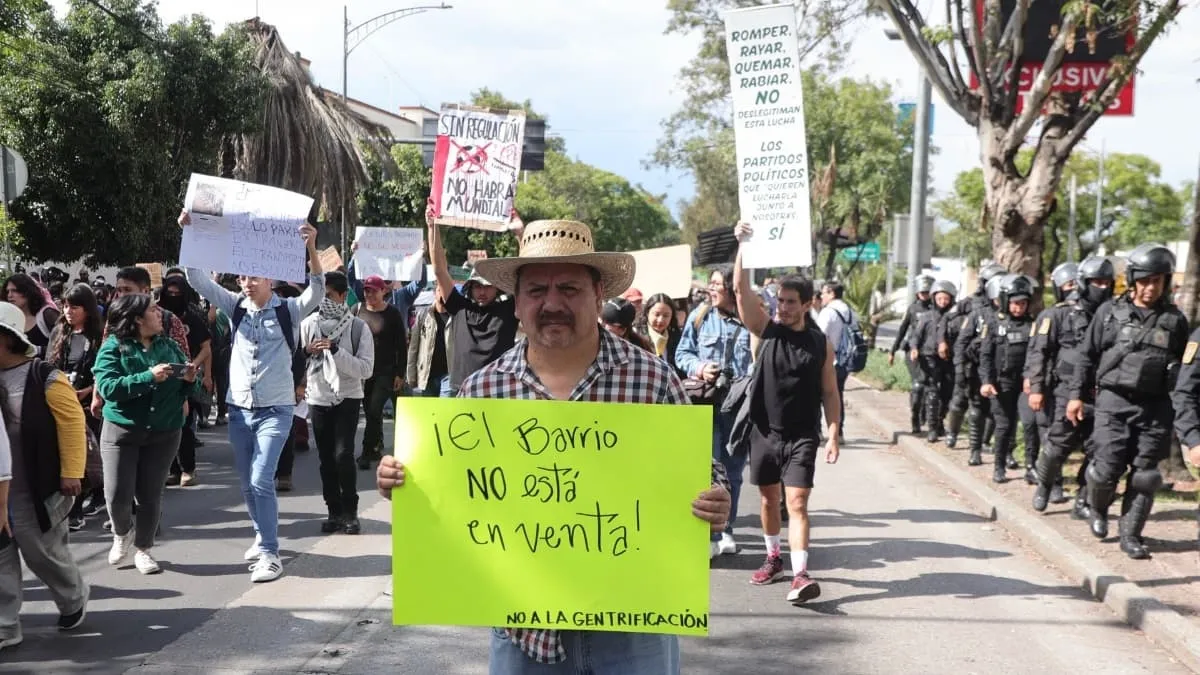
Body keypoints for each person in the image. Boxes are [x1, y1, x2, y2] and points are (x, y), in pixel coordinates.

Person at [376, 215, 731, 674]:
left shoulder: (653, 380)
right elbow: (454, 498)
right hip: (524, 635)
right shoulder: (484, 390)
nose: (552, 303)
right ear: (517, 302)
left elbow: (704, 472)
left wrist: (714, 498)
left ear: (599, 294)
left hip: (633, 629)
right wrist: (405, 482)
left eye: (569, 289)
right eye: (537, 291)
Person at [179, 209, 325, 583]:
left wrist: (311, 247)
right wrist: (190, 234)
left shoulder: (289, 309)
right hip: (240, 410)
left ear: (271, 279)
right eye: (242, 276)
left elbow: (318, 290)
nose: (245, 282)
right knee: (246, 483)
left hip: (276, 409)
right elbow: (196, 278)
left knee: (262, 480)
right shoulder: (235, 306)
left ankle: (270, 554)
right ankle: (261, 535)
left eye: (253, 276)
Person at [732, 223, 840, 605]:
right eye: (781, 300)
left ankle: (800, 574)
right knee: (767, 499)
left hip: (802, 435)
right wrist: (742, 245)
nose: (784, 306)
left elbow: (830, 390)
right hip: (764, 432)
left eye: (792, 301)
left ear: (808, 304)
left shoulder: (819, 343)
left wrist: (834, 430)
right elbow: (740, 292)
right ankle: (774, 557)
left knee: (796, 502)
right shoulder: (767, 331)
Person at [1066, 243, 1188, 560]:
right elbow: (1086, 356)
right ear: (1134, 279)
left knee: (1146, 475)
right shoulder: (1110, 314)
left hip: (1155, 407)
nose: (1150, 288)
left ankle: (1131, 535)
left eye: (1157, 281)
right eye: (1145, 280)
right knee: (1107, 468)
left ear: (1165, 282)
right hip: (1113, 402)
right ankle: (1097, 508)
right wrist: (1076, 396)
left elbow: (1186, 369)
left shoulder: (1175, 321)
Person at [0, 301, 89, 646]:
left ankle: (72, 596)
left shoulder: (44, 376)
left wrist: (71, 473)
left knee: (42, 553)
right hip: (1, 485)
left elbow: (71, 423)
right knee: (1, 554)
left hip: (36, 485)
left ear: (6, 339)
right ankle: (6, 624)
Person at [92, 294, 197, 575]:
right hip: (122, 431)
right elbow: (109, 388)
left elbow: (184, 391)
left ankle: (144, 549)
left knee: (150, 495)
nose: (159, 314)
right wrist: (147, 377)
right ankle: (121, 532)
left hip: (164, 430)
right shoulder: (114, 347)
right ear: (137, 319)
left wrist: (188, 381)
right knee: (116, 494)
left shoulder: (170, 346)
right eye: (153, 310)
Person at [675, 264, 752, 558]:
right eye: (712, 284)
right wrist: (700, 368)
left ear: (732, 288)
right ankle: (708, 532)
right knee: (705, 465)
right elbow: (682, 354)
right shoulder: (700, 317)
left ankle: (726, 529)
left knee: (733, 469)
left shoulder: (749, 319)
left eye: (718, 284)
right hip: (706, 402)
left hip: (739, 405)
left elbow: (759, 358)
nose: (712, 289)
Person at [1026, 258, 1113, 515]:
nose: (1102, 287)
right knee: (1056, 447)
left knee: (1099, 449)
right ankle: (1045, 484)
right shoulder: (1058, 314)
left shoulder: (1111, 315)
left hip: (1100, 393)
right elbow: (1039, 353)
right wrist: (1036, 388)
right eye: (1097, 282)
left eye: (1107, 283)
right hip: (1064, 390)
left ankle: (1083, 499)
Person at [300, 271, 374, 535]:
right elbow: (298, 359)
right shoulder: (309, 324)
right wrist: (308, 352)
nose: (325, 301)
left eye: (330, 296)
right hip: (318, 397)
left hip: (347, 396)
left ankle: (350, 512)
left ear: (343, 296)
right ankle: (333, 510)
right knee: (325, 458)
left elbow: (365, 369)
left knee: (343, 454)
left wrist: (335, 350)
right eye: (322, 296)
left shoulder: (357, 328)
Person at [429, 204, 522, 397]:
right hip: (458, 390)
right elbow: (439, 270)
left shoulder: (508, 310)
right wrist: (432, 226)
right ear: (470, 287)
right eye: (478, 286)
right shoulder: (459, 307)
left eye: (487, 286)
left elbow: (527, 278)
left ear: (496, 288)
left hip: (498, 391)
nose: (482, 291)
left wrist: (520, 234)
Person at [48, 284, 105, 529]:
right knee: (68, 454)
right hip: (63, 399)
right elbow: (49, 363)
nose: (69, 311)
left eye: (75, 306)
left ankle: (89, 502)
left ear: (88, 309)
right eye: (66, 305)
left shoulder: (99, 335)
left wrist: (90, 390)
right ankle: (73, 508)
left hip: (88, 402)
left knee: (87, 455)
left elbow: (104, 370)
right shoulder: (60, 331)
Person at [979, 274, 1035, 484]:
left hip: (1025, 384)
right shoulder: (994, 324)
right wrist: (986, 381)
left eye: (1023, 303)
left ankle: (1031, 467)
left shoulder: (1033, 325)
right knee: (1004, 425)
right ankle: (999, 466)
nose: (1018, 308)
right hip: (1001, 383)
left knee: (1030, 424)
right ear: (1005, 302)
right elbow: (985, 355)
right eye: (1014, 303)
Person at [158, 275, 212, 487]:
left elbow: (206, 348)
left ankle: (188, 468)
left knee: (186, 424)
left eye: (177, 294)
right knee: (165, 426)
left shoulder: (193, 317)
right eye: (169, 293)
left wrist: (196, 368)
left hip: (187, 377)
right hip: (161, 375)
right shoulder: (156, 316)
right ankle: (171, 469)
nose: (173, 297)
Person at [944, 263, 1005, 448]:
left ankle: (983, 441)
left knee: (994, 405)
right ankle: (952, 434)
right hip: (971, 362)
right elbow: (948, 321)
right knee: (960, 400)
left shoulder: (1005, 309)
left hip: (994, 364)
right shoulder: (970, 303)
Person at [352, 274, 406, 470]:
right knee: (369, 411)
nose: (369, 294)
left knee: (374, 409)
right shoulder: (357, 310)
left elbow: (402, 345)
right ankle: (376, 445)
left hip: (386, 371)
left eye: (373, 290)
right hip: (363, 372)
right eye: (366, 290)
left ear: (383, 291)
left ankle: (366, 452)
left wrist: (400, 373)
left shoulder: (392, 314)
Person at [957, 272, 1005, 466]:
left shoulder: (1014, 317)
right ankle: (975, 449)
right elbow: (961, 343)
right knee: (977, 409)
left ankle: (1002, 451)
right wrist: (960, 369)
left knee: (1001, 412)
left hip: (1004, 371)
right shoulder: (978, 314)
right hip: (977, 369)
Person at [911, 281, 957, 442]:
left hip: (949, 359)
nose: (943, 302)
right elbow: (916, 336)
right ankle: (931, 428)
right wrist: (915, 348)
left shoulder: (955, 317)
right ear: (934, 298)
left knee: (947, 394)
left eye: (946, 299)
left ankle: (939, 421)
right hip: (929, 357)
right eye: (940, 298)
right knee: (932, 392)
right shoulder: (926, 317)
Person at [891, 275, 934, 434]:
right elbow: (902, 330)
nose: (925, 295)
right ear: (917, 293)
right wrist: (892, 351)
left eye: (927, 292)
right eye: (922, 292)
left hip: (930, 352)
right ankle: (915, 417)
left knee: (930, 387)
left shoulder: (936, 309)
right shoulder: (913, 308)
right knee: (918, 383)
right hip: (913, 351)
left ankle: (927, 414)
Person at [816, 281, 852, 425]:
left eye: (823, 293)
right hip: (844, 359)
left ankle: (819, 429)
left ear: (831, 293)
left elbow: (819, 336)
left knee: (820, 395)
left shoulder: (828, 312)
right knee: (838, 394)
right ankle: (839, 430)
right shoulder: (849, 311)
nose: (821, 296)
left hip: (828, 360)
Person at [4, 273, 61, 358]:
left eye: (14, 290)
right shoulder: (7, 319)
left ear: (27, 292)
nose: (9, 295)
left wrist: (37, 350)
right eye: (8, 291)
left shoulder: (47, 314)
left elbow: (64, 343)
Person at [407, 296, 450, 397]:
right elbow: (414, 346)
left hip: (449, 375)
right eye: (439, 290)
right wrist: (411, 375)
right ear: (435, 292)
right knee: (431, 410)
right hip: (427, 374)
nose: (443, 295)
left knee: (445, 409)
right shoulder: (424, 314)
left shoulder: (457, 315)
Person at [643, 292, 683, 377]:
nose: (660, 320)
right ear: (647, 313)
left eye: (666, 316)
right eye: (656, 314)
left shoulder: (676, 337)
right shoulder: (637, 337)